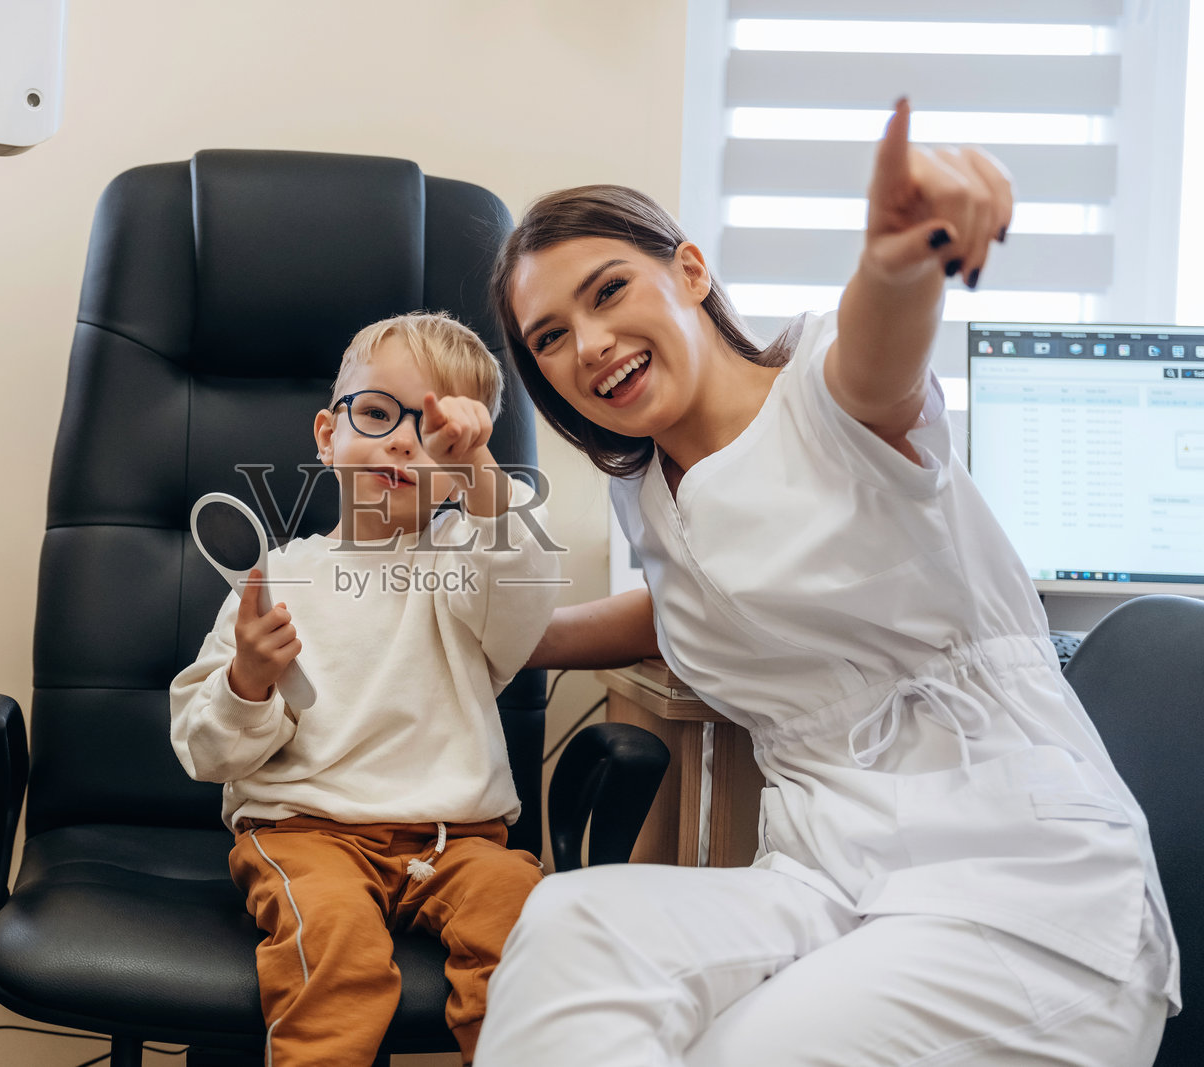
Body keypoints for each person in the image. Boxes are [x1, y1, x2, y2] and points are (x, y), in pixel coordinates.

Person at [473, 100, 1178, 1066]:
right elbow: (701, 602)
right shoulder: (648, 484)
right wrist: (511, 635)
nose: (587, 345)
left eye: (607, 291)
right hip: (825, 876)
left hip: (1017, 882)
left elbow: (880, 356)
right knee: (573, 924)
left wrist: (900, 259)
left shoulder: (827, 396)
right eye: (549, 337)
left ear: (689, 269)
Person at [170, 311, 561, 1066]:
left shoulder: (466, 566)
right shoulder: (275, 577)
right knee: (335, 949)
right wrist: (249, 682)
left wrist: (481, 472)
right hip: (306, 834)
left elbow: (520, 588)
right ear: (327, 434)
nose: (405, 440)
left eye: (441, 434)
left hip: (461, 842)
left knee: (526, 935)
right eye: (378, 414)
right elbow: (205, 750)